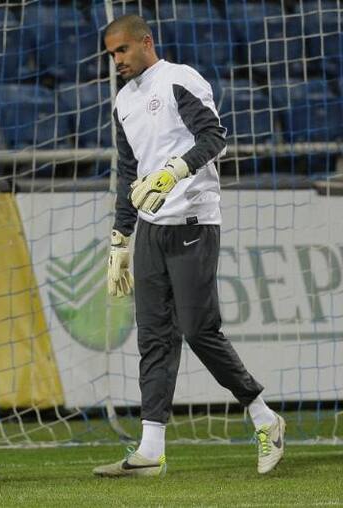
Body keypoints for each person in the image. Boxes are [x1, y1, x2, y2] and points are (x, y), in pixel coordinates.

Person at [95, 15, 285, 477]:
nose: (116, 60)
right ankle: (150, 450)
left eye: (122, 50)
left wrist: (174, 171)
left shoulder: (180, 79)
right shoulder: (123, 101)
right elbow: (128, 171)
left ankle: (265, 417)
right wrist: (120, 237)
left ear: (146, 42)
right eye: (111, 54)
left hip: (194, 221)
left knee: (199, 330)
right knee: (153, 336)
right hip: (151, 229)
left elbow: (214, 138)